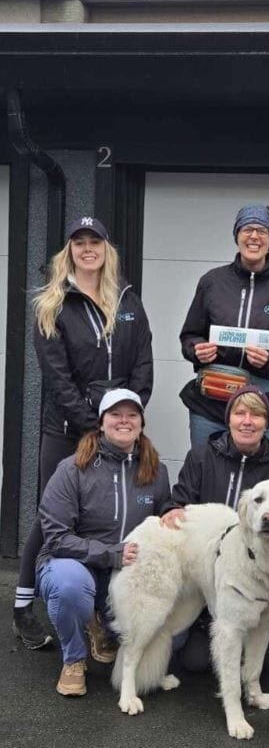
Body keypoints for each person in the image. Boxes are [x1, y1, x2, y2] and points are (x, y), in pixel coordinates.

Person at [13, 217, 154, 650]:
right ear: (69, 251)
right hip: (69, 427)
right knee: (50, 513)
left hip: (117, 425)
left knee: (114, 508)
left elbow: (144, 361)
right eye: (80, 242)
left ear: (107, 250)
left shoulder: (128, 300)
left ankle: (100, 613)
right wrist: (96, 423)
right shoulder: (52, 303)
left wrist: (129, 409)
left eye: (95, 242)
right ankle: (22, 604)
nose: (88, 249)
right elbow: (57, 379)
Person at [35, 389, 170, 697]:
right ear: (101, 422)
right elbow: (56, 538)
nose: (124, 421)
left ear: (141, 422)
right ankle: (74, 658)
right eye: (115, 415)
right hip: (76, 564)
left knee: (170, 639)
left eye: (132, 415)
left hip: (125, 570)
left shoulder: (155, 469)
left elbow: (164, 507)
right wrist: (111, 554)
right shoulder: (73, 468)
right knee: (69, 586)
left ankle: (102, 626)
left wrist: (171, 511)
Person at [160, 385, 269, 671]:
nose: (247, 421)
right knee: (195, 662)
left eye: (256, 415)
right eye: (240, 413)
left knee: (253, 658)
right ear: (228, 418)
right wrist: (171, 510)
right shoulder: (201, 456)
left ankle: (261, 630)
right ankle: (203, 619)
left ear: (266, 423)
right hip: (206, 576)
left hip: (251, 583)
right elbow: (181, 502)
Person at [178, 204, 269, 461]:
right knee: (205, 478)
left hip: (264, 404)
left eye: (262, 230)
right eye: (247, 229)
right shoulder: (212, 282)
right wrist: (197, 349)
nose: (254, 236)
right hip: (211, 403)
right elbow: (189, 336)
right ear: (237, 236)